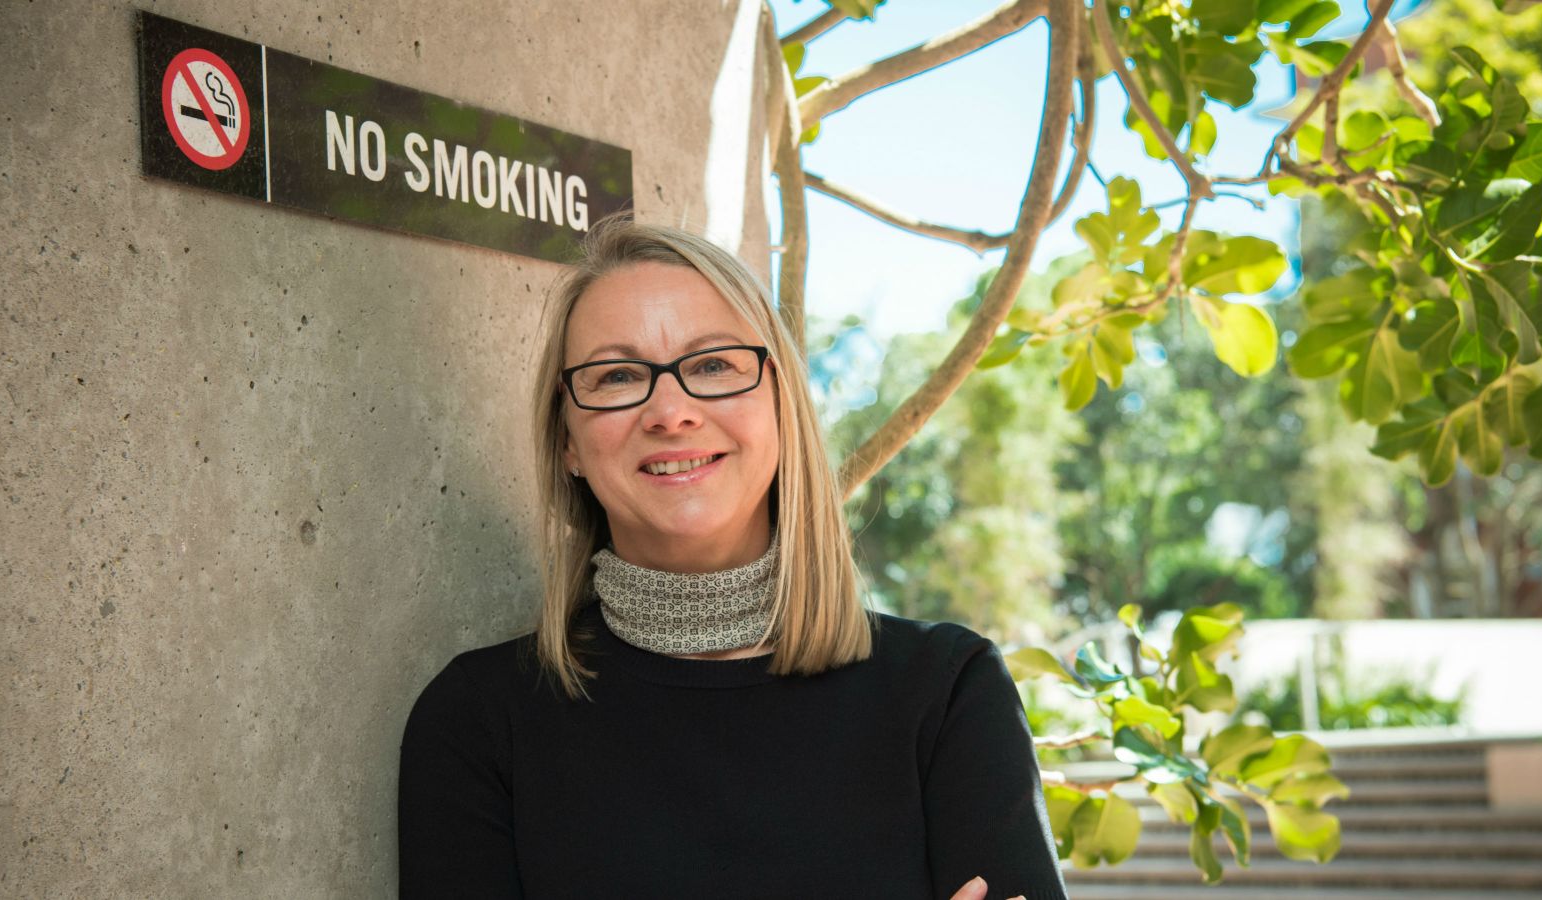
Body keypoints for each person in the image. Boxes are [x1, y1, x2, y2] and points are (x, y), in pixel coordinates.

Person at [397, 213, 1069, 900]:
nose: (670, 410)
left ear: (782, 406)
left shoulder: (948, 694)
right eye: (618, 375)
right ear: (567, 439)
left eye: (714, 364)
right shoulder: (477, 723)